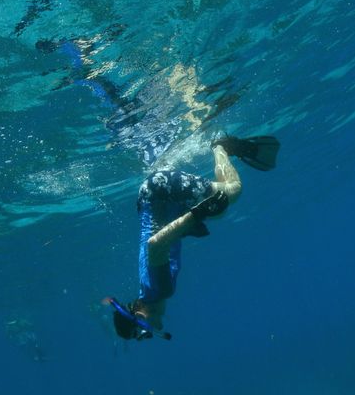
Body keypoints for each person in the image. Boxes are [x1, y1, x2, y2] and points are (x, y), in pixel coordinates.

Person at [107, 135, 279, 341]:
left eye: (145, 333)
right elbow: (157, 240)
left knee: (233, 190)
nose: (158, 326)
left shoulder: (161, 290)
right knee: (220, 212)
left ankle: (219, 144)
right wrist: (186, 228)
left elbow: (154, 245)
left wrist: (195, 215)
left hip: (161, 192)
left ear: (140, 316)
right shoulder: (148, 289)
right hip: (154, 197)